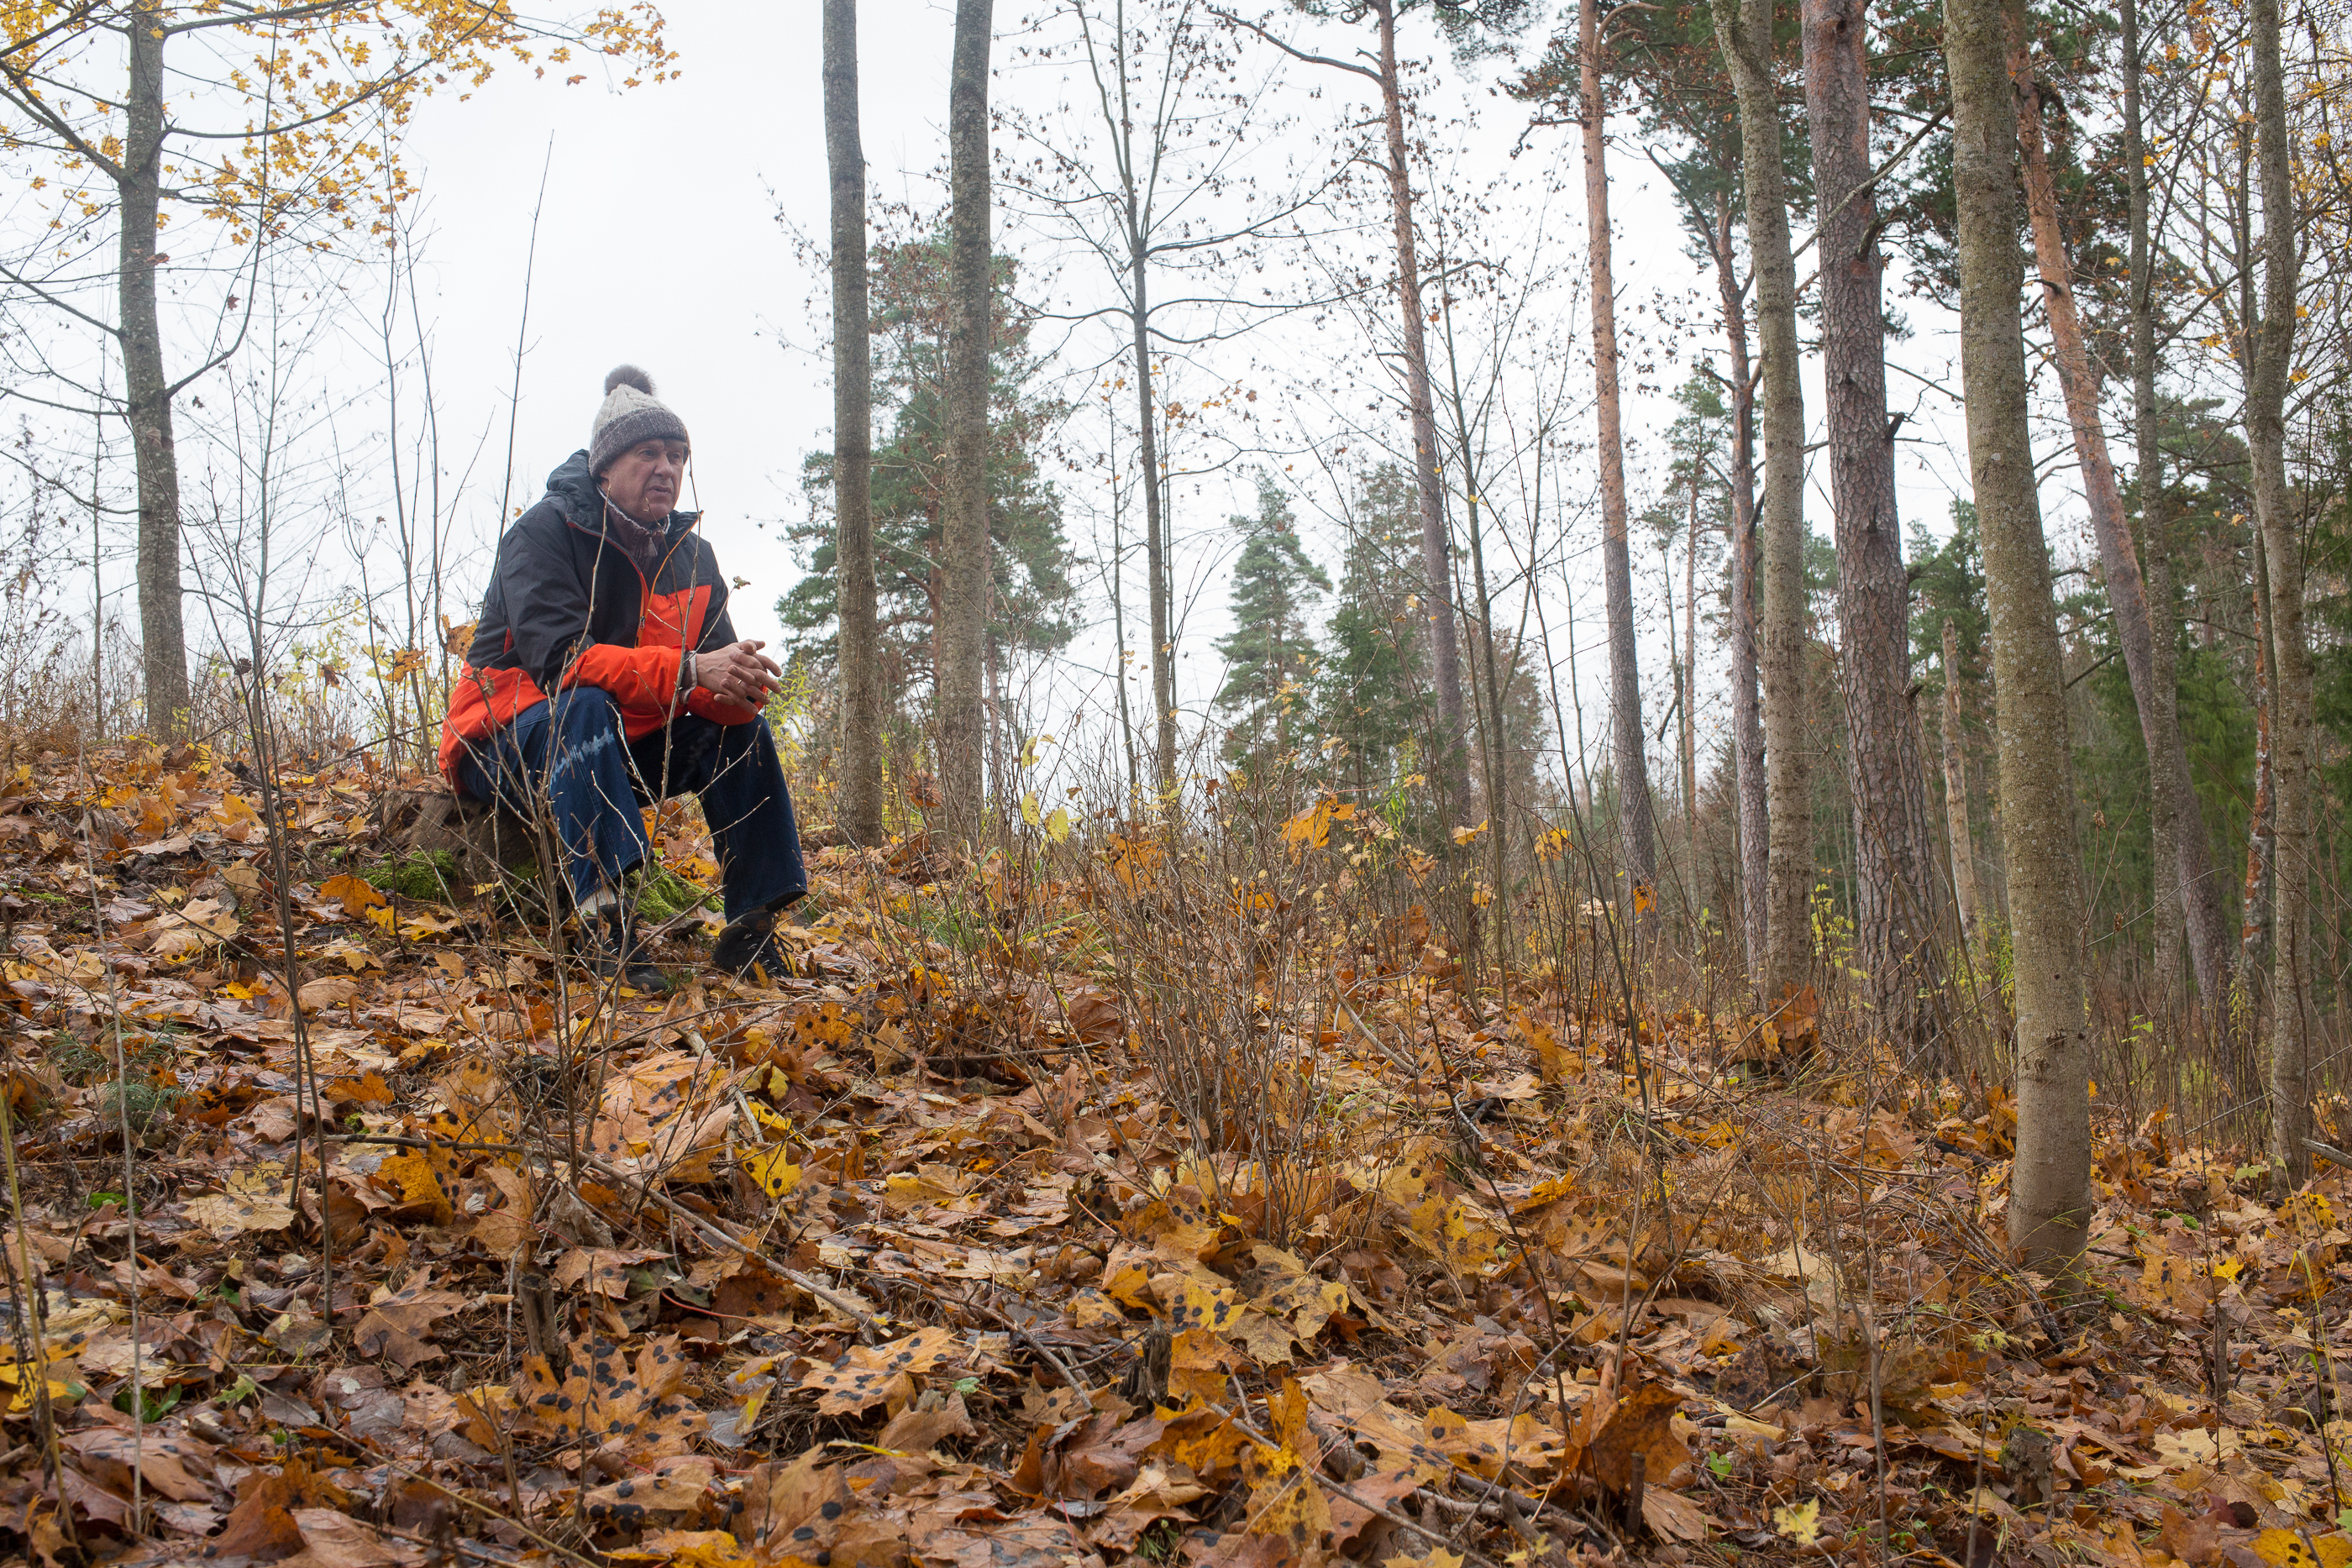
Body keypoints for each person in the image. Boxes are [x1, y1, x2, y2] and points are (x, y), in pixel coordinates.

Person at [438, 365, 805, 988]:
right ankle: (606, 924)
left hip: (619, 747)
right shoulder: (542, 535)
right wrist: (692, 669)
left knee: (744, 736)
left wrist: (738, 689)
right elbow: (561, 665)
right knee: (582, 703)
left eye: (678, 454)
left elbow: (705, 683)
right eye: (649, 453)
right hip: (499, 738)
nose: (667, 467)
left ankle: (750, 927)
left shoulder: (695, 555)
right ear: (604, 468)